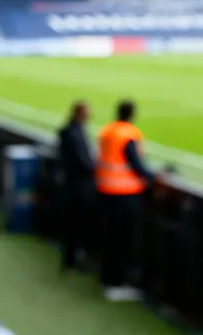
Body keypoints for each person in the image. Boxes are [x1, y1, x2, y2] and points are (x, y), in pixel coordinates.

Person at [95, 100, 155, 301]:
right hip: (124, 195)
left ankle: (107, 279)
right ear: (132, 114)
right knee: (122, 240)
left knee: (109, 237)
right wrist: (152, 176)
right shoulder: (128, 135)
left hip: (105, 191)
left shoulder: (107, 131)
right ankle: (117, 283)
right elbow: (136, 164)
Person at [57, 100, 95, 270]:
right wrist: (94, 168)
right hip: (78, 186)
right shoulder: (74, 134)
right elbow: (82, 162)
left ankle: (72, 256)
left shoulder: (70, 131)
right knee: (77, 223)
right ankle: (73, 258)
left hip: (73, 184)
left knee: (74, 223)